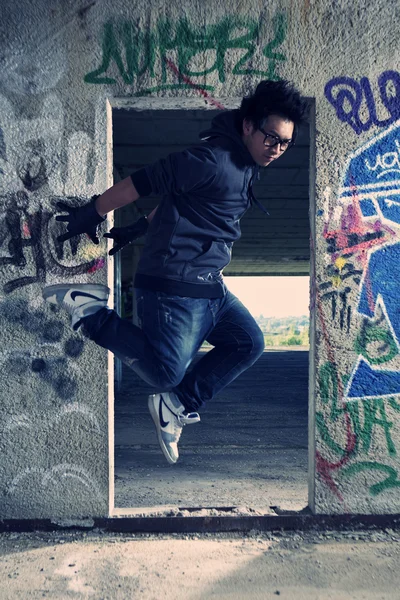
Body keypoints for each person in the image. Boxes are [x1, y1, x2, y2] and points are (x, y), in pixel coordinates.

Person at [43, 80, 308, 464]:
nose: (277, 149)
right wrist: (94, 211)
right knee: (165, 372)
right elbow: (146, 181)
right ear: (248, 125)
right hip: (174, 285)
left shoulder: (247, 167)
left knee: (248, 342)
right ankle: (89, 312)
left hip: (209, 286)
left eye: (285, 143)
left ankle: (177, 405)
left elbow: (188, 205)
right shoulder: (212, 159)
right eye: (271, 137)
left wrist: (139, 227)